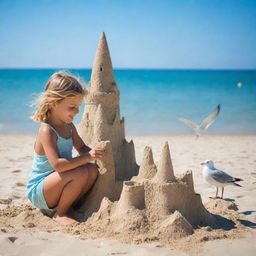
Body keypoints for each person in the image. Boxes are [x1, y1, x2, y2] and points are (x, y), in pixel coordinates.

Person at [26, 71, 105, 226]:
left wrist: (96, 153)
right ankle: (60, 213)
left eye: (78, 107)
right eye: (72, 107)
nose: (77, 111)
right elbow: (58, 165)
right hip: (40, 190)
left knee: (91, 170)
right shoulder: (47, 130)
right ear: (54, 102)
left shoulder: (69, 127)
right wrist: (88, 157)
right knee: (81, 171)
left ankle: (67, 206)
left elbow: (82, 147)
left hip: (58, 183)